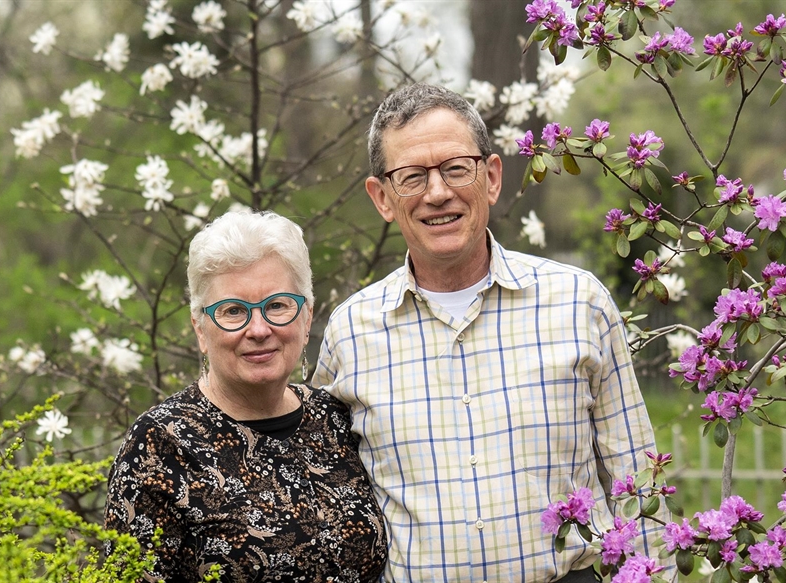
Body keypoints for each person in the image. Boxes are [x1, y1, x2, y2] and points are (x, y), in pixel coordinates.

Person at [312, 83, 670, 582]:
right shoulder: (350, 332)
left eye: (456, 168)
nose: (437, 193)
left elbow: (636, 482)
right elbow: (330, 504)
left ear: (492, 178)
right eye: (411, 177)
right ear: (382, 198)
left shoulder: (579, 303)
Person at [104, 210, 387, 582]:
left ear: (306, 318)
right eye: (234, 311)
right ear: (200, 328)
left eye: (277, 305)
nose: (258, 329)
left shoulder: (336, 418)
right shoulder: (161, 444)